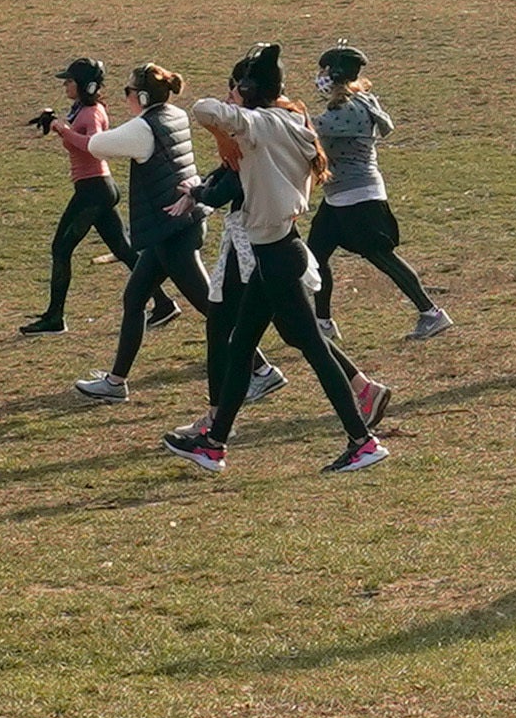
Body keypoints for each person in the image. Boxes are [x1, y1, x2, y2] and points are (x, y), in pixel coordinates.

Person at [168, 48, 394, 475]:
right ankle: (214, 445)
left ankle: (362, 442)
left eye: (239, 88)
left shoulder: (260, 125)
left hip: (274, 256)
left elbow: (203, 108)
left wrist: (225, 129)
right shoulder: (292, 121)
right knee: (241, 350)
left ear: (251, 91)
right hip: (278, 251)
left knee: (313, 350)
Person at [76, 63, 213, 405]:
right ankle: (115, 381)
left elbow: (97, 146)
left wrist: (71, 130)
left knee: (213, 308)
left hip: (172, 231)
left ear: (139, 96)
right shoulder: (175, 115)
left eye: (127, 92)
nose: (124, 97)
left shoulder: (144, 128)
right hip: (178, 225)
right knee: (135, 298)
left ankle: (260, 369)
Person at [305, 44, 449, 334]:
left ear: (334, 75)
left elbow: (307, 130)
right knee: (317, 255)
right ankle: (323, 323)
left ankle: (431, 313)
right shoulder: (359, 101)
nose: (318, 77)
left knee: (381, 256)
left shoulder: (348, 111)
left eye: (323, 72)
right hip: (339, 198)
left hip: (358, 197)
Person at [20, 57, 120, 336]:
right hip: (96, 189)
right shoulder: (83, 110)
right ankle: (162, 302)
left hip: (93, 190)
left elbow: (93, 146)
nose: (65, 84)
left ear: (85, 86)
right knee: (123, 249)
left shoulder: (91, 113)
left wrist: (63, 130)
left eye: (70, 81)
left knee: (60, 249)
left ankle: (55, 317)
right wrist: (55, 123)